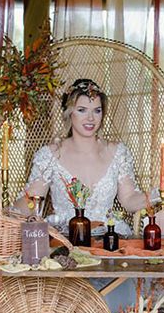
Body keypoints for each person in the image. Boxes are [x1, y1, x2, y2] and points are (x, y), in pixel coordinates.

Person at [16, 79, 152, 235]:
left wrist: (162, 193)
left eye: (97, 110)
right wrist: (3, 212)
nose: (91, 118)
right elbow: (31, 202)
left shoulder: (117, 153)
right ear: (69, 113)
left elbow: (129, 200)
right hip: (66, 240)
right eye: (82, 110)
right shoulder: (50, 155)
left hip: (110, 239)